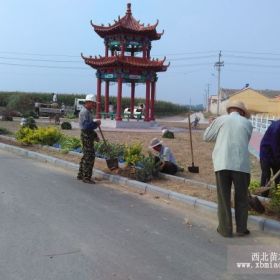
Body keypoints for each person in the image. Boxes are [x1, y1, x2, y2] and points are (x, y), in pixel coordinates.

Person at [203, 100, 253, 237]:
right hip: (241, 165)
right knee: (242, 198)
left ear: (229, 110)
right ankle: (242, 229)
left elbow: (207, 137)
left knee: (223, 198)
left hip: (222, 163)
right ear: (242, 112)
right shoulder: (248, 123)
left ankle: (225, 229)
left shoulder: (220, 120)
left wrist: (210, 125)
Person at [77, 94, 101, 184]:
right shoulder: (84, 112)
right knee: (89, 157)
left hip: (88, 135)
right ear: (88, 102)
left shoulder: (88, 111)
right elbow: (86, 126)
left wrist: (95, 135)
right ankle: (86, 177)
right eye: (93, 103)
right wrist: (96, 124)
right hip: (86, 135)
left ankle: (81, 174)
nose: (94, 105)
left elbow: (89, 125)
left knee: (86, 155)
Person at [259, 119, 280, 195]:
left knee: (278, 177)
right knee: (266, 175)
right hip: (266, 154)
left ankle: (278, 194)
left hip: (276, 154)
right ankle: (263, 196)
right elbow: (275, 146)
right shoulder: (277, 128)